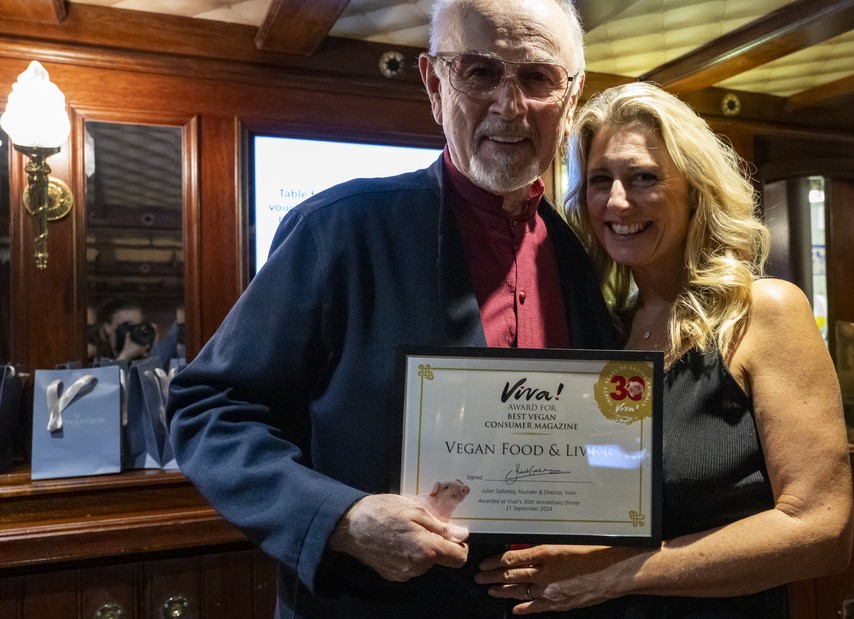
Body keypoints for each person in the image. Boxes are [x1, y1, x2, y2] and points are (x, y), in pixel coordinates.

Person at [166, 0, 614, 617]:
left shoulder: (578, 254)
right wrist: (342, 519)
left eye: (537, 77)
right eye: (479, 72)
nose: (510, 107)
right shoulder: (341, 229)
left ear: (572, 93)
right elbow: (208, 409)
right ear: (434, 83)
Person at [475, 82, 854, 617]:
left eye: (645, 178)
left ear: (696, 189)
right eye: (600, 180)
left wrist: (615, 576)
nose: (618, 201)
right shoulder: (608, 330)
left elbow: (821, 529)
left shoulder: (763, 312)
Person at [90, 297, 155, 362]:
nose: (134, 331)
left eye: (138, 327)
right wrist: (125, 356)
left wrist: (153, 349)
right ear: (107, 327)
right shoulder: (94, 355)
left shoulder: (145, 353)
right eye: (128, 326)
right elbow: (107, 372)